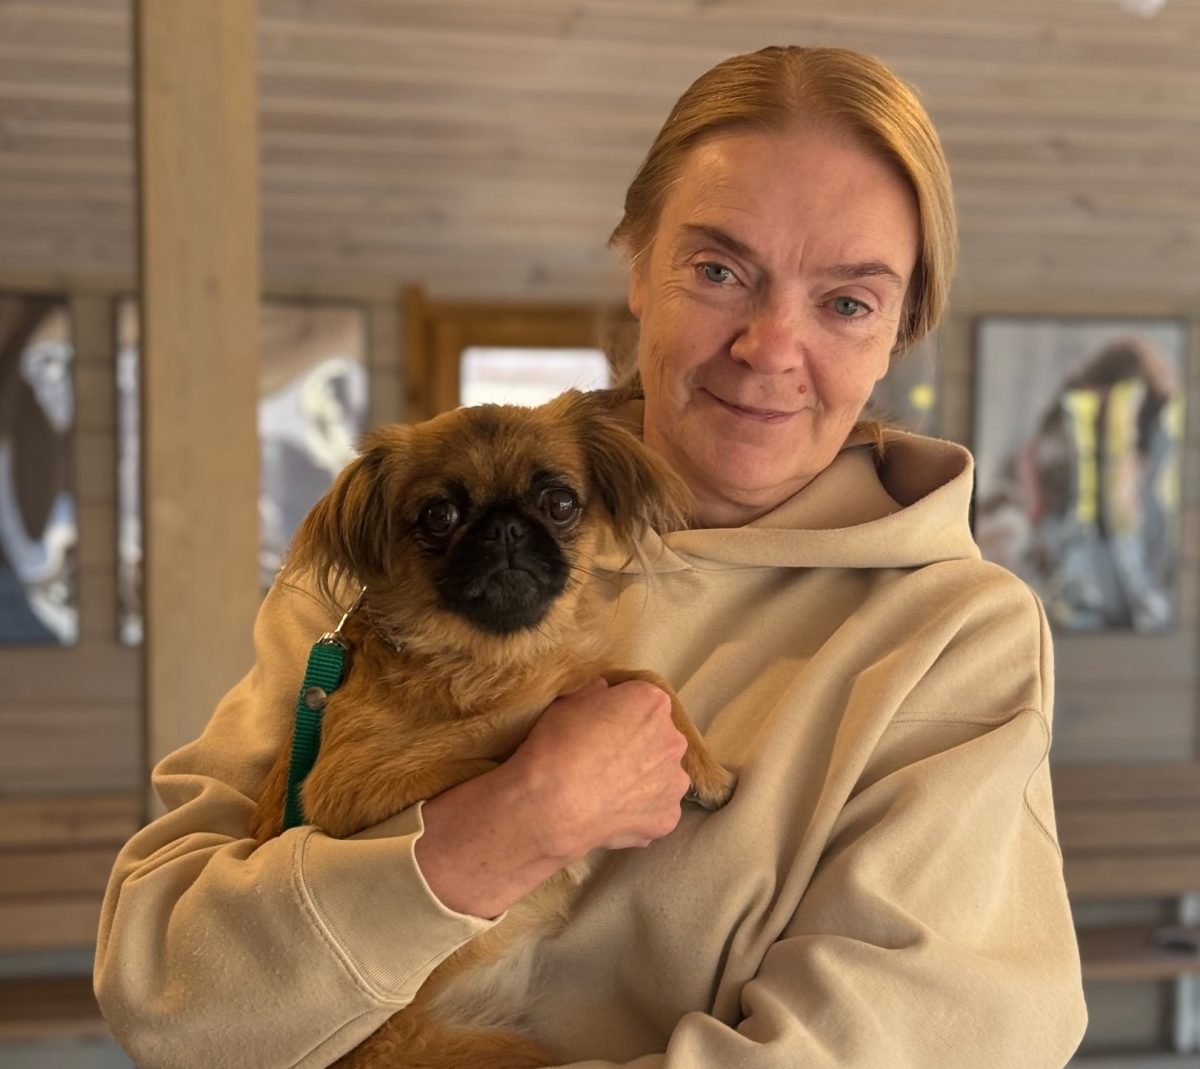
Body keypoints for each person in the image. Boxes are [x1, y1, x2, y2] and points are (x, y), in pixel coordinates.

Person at [95, 45, 1087, 1067]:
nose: (768, 344)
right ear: (638, 269)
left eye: (847, 301)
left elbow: (919, 1038)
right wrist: (506, 825)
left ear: (901, 331)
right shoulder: (384, 567)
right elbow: (172, 997)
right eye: (718, 269)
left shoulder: (953, 638)